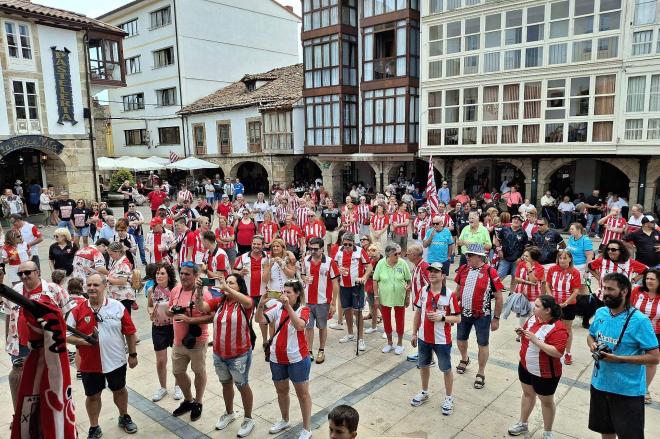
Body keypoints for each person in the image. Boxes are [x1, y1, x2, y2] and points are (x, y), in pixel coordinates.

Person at [587, 273, 660, 439]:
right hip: (599, 384)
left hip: (627, 391)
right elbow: (590, 335)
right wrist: (592, 344)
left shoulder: (640, 321)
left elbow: (655, 357)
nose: (604, 292)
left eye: (610, 289)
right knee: (606, 432)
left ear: (624, 291)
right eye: (604, 288)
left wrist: (618, 359)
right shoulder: (601, 313)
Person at [66, 273, 138, 437]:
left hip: (116, 361)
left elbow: (130, 332)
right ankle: (94, 426)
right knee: (92, 396)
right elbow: (66, 335)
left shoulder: (117, 306)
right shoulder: (76, 310)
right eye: (89, 285)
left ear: (105, 286)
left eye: (96, 285)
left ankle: (124, 416)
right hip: (89, 364)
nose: (91, 288)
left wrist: (133, 354)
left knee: (119, 390)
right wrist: (85, 342)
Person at [1, 261, 74, 410]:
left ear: (38, 272)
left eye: (27, 272)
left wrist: (60, 334)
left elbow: (67, 310)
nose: (24, 276)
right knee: (21, 380)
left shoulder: (54, 290)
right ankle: (22, 416)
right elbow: (9, 315)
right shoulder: (15, 290)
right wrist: (8, 338)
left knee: (49, 379)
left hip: (48, 345)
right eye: (20, 273)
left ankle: (52, 412)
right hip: (21, 345)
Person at [197, 274, 256, 437]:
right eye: (226, 282)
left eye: (232, 283)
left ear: (239, 286)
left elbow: (249, 302)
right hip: (219, 353)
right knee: (226, 384)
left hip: (239, 355)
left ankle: (249, 418)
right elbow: (202, 307)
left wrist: (225, 287)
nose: (227, 285)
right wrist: (198, 290)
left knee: (243, 385)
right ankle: (229, 413)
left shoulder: (244, 303)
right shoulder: (220, 301)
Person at [255, 280, 313, 439]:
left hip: (298, 359)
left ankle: (307, 428)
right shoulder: (276, 308)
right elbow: (259, 320)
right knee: (281, 391)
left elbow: (300, 325)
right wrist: (260, 304)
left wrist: (287, 306)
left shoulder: (304, 309)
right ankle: (285, 419)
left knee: (303, 394)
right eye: (284, 292)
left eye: (289, 292)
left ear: (298, 294)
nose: (285, 295)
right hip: (276, 358)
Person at [508, 296, 568, 438]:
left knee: (546, 402)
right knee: (528, 394)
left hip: (545, 373)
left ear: (547, 310)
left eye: (537, 306)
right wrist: (521, 332)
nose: (533, 307)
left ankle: (547, 432)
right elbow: (526, 333)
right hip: (525, 366)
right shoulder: (533, 318)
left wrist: (536, 340)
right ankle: (523, 423)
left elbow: (558, 352)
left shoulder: (558, 328)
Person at [410, 262, 461, 414]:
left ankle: (449, 397)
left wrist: (442, 317)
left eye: (436, 271)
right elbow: (418, 313)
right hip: (423, 337)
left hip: (442, 340)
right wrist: (414, 333)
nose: (432, 274)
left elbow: (458, 318)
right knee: (423, 365)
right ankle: (424, 392)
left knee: (446, 368)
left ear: (443, 275)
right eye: (430, 271)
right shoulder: (423, 291)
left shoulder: (450, 295)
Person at [455, 243, 505, 389]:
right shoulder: (463, 269)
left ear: (480, 257)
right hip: (464, 313)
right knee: (460, 340)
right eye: (466, 254)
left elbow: (499, 297)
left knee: (482, 344)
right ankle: (464, 358)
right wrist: (451, 310)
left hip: (482, 315)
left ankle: (481, 372)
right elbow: (457, 291)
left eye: (470, 255)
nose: (467, 257)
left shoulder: (490, 272)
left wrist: (496, 318)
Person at [167, 262, 212, 421]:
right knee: (177, 372)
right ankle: (188, 399)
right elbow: (169, 309)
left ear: (195, 276)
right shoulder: (175, 290)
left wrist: (189, 319)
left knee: (199, 371)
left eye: (187, 274)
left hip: (197, 341)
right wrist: (171, 312)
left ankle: (198, 402)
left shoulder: (203, 293)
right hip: (178, 341)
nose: (183, 276)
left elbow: (211, 316)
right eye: (182, 273)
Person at [147, 263, 183, 402]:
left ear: (169, 275)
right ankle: (162, 387)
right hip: (158, 327)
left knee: (177, 359)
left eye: (162, 273)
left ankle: (178, 386)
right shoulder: (151, 290)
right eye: (157, 274)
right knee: (161, 361)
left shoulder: (175, 289)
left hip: (174, 327)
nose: (159, 276)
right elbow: (150, 305)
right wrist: (151, 312)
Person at [302, 237, 339, 364]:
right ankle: (309, 351)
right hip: (307, 301)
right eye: (310, 248)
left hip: (323, 301)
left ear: (322, 249)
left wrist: (333, 303)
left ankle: (321, 350)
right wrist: (304, 279)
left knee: (322, 326)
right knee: (308, 327)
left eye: (315, 249)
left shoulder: (330, 262)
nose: (312, 251)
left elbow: (335, 283)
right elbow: (302, 275)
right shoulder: (305, 260)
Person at [335, 232, 372, 351]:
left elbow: (369, 266)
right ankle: (350, 334)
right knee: (347, 310)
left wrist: (364, 277)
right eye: (345, 244)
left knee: (358, 311)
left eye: (349, 245)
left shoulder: (360, 251)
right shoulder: (339, 250)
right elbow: (334, 264)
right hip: (343, 285)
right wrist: (338, 269)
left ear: (353, 243)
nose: (346, 247)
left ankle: (360, 338)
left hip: (356, 285)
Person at [373, 243, 412, 355]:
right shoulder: (381, 263)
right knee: (386, 320)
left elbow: (409, 280)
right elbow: (375, 280)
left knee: (400, 320)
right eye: (396, 254)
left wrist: (408, 296)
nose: (398, 256)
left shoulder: (402, 263)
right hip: (385, 298)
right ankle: (390, 343)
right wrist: (376, 297)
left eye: (400, 253)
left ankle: (399, 344)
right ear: (388, 254)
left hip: (400, 297)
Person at [545, 250, 582, 366]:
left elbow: (576, 290)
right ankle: (551, 349)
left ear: (570, 259)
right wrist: (551, 298)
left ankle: (568, 352)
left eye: (565, 258)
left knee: (567, 329)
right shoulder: (552, 269)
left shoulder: (575, 272)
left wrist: (566, 302)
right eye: (560, 258)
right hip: (554, 304)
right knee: (551, 327)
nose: (562, 260)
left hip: (569, 305)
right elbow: (547, 284)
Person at [631, 268, 660, 404]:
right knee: (632, 359)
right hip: (634, 332)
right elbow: (628, 307)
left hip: (655, 334)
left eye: (652, 279)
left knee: (650, 362)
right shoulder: (637, 291)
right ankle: (631, 386)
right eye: (647, 278)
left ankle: (644, 389)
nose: (648, 281)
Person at [588, 239, 647, 304]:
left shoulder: (630, 262)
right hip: (603, 297)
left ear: (621, 251)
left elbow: (646, 270)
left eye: (613, 249)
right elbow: (590, 266)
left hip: (621, 299)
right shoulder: (602, 260)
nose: (610, 251)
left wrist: (634, 279)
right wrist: (598, 278)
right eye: (608, 249)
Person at [234, 235, 269, 342]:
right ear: (251, 244)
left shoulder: (268, 257)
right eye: (254, 244)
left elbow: (283, 252)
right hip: (247, 294)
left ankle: (264, 341)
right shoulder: (243, 257)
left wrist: (290, 254)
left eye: (258, 244)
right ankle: (247, 340)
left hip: (262, 294)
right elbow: (233, 270)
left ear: (263, 245)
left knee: (263, 319)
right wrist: (239, 272)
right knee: (245, 319)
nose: (256, 246)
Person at [494, 215, 528, 289]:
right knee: (499, 275)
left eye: (518, 220)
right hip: (505, 258)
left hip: (517, 259)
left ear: (521, 222)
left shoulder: (523, 233)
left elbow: (526, 247)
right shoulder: (504, 229)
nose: (516, 221)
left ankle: (512, 293)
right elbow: (497, 239)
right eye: (514, 219)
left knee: (515, 277)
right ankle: (493, 291)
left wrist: (522, 258)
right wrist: (499, 250)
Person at [513, 247, 545, 325]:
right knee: (522, 317)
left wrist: (529, 269)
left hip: (533, 297)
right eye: (524, 255)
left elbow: (533, 280)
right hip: (521, 295)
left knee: (533, 317)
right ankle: (521, 334)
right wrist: (527, 282)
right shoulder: (521, 264)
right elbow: (516, 278)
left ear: (533, 258)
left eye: (527, 256)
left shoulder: (540, 268)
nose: (524, 258)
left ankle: (531, 333)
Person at [566, 222, 594, 297]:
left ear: (579, 230)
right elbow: (568, 250)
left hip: (582, 266)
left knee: (582, 290)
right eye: (570, 229)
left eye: (572, 229)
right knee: (572, 288)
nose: (570, 230)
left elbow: (589, 257)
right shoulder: (571, 238)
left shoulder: (586, 240)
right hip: (572, 266)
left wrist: (587, 271)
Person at [106, 242, 135, 313]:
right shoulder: (118, 261)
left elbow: (122, 281)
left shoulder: (123, 263)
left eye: (111, 254)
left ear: (118, 252)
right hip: (119, 296)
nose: (110, 256)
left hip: (123, 297)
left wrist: (107, 279)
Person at [364, 243, 384, 334]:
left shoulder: (384, 262)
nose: (371, 253)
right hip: (370, 285)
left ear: (379, 251)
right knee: (372, 306)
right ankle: (373, 326)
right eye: (369, 250)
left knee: (382, 308)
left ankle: (387, 330)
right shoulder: (369, 260)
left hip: (380, 287)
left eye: (374, 250)